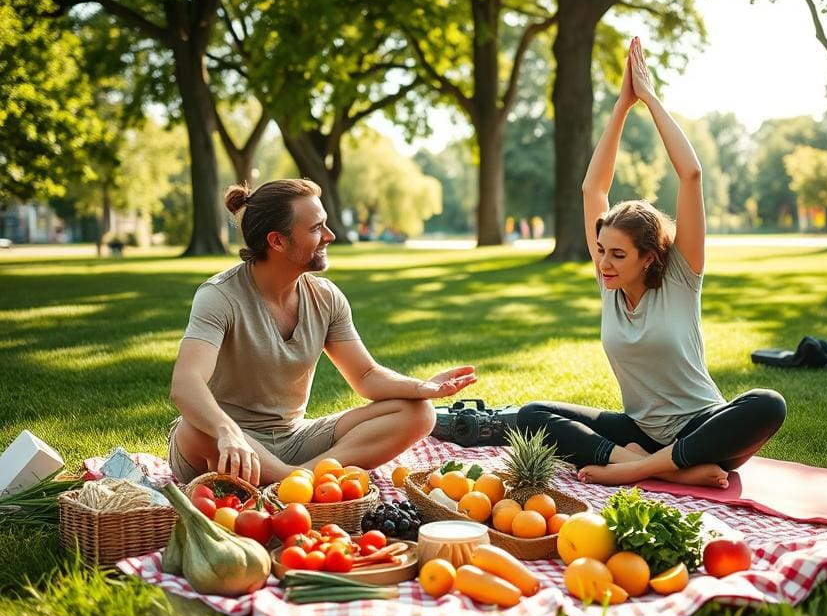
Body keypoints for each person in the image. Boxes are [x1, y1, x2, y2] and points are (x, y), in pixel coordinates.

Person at [517, 37, 785, 488]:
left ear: (649, 257)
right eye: (601, 250)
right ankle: (658, 466)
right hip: (639, 432)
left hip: (703, 430)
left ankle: (640, 468)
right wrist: (622, 106)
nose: (603, 262)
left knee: (768, 403)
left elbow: (691, 174)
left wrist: (650, 98)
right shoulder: (609, 282)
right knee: (529, 415)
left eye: (618, 255)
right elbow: (593, 191)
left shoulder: (681, 275)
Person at [168, 178, 477, 485]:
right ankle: (294, 479)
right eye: (316, 228)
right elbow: (186, 384)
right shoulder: (219, 296)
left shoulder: (326, 297)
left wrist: (422, 388)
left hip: (295, 439)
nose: (329, 236)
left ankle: (302, 477)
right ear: (277, 241)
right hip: (230, 444)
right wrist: (226, 430)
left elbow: (366, 375)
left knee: (420, 413)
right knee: (191, 428)